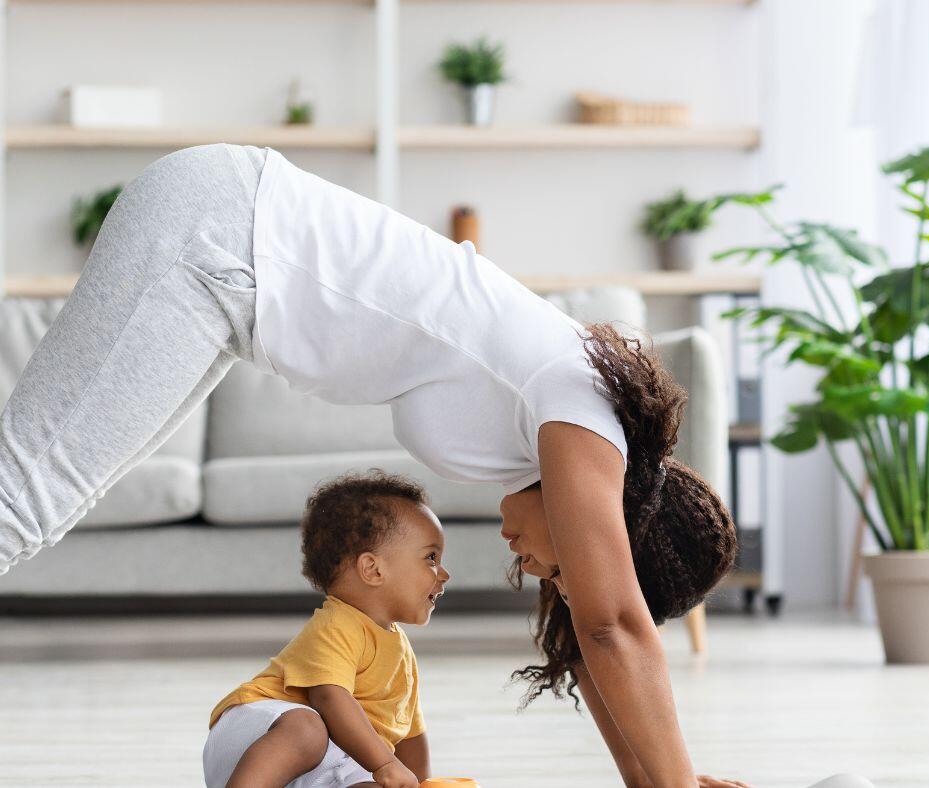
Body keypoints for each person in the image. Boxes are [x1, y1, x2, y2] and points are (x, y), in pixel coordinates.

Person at [0, 143, 871, 787]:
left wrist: (652, 783)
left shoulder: (567, 429)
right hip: (220, 237)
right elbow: (614, 627)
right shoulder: (584, 416)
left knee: (36, 496)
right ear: (610, 532)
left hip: (229, 273)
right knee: (26, 498)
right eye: (560, 564)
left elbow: (593, 637)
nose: (530, 567)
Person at [203, 471, 448, 788]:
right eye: (431, 557)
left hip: (321, 763)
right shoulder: (339, 624)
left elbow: (410, 735)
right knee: (308, 728)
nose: (444, 574)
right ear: (372, 569)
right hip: (257, 736)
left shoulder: (400, 651)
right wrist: (386, 763)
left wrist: (419, 783)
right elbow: (329, 698)